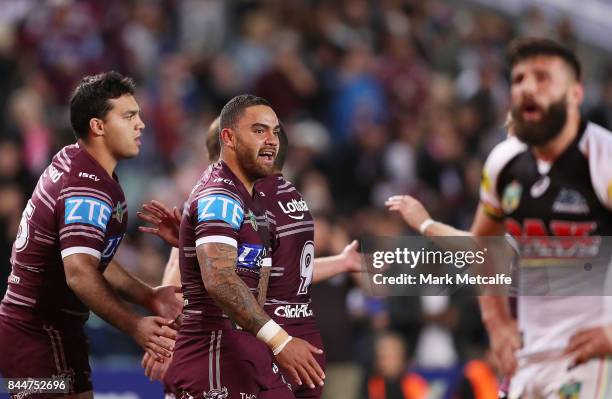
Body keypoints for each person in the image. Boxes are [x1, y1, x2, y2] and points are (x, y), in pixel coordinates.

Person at [387, 37, 612, 398]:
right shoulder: (508, 177)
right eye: (519, 82)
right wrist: (498, 324)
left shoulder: (599, 159)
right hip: (528, 353)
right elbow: (478, 246)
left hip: (588, 354)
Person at [139, 118, 363, 398]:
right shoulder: (290, 200)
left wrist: (169, 338)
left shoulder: (222, 199)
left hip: (246, 347)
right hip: (293, 342)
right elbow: (282, 271)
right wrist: (341, 262)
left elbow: (187, 281)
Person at [0, 71, 182, 399]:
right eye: (128, 116)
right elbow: (80, 273)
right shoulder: (87, 189)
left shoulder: (77, 162)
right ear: (98, 126)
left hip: (47, 330)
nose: (140, 124)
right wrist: (134, 324)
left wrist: (149, 296)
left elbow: (93, 261)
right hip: (37, 335)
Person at [161, 94, 325, 399]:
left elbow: (256, 282)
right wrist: (280, 340)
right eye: (259, 130)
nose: (271, 140)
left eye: (275, 132)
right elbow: (220, 279)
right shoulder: (219, 196)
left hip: (244, 353)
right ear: (229, 138)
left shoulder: (253, 200)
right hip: (212, 357)